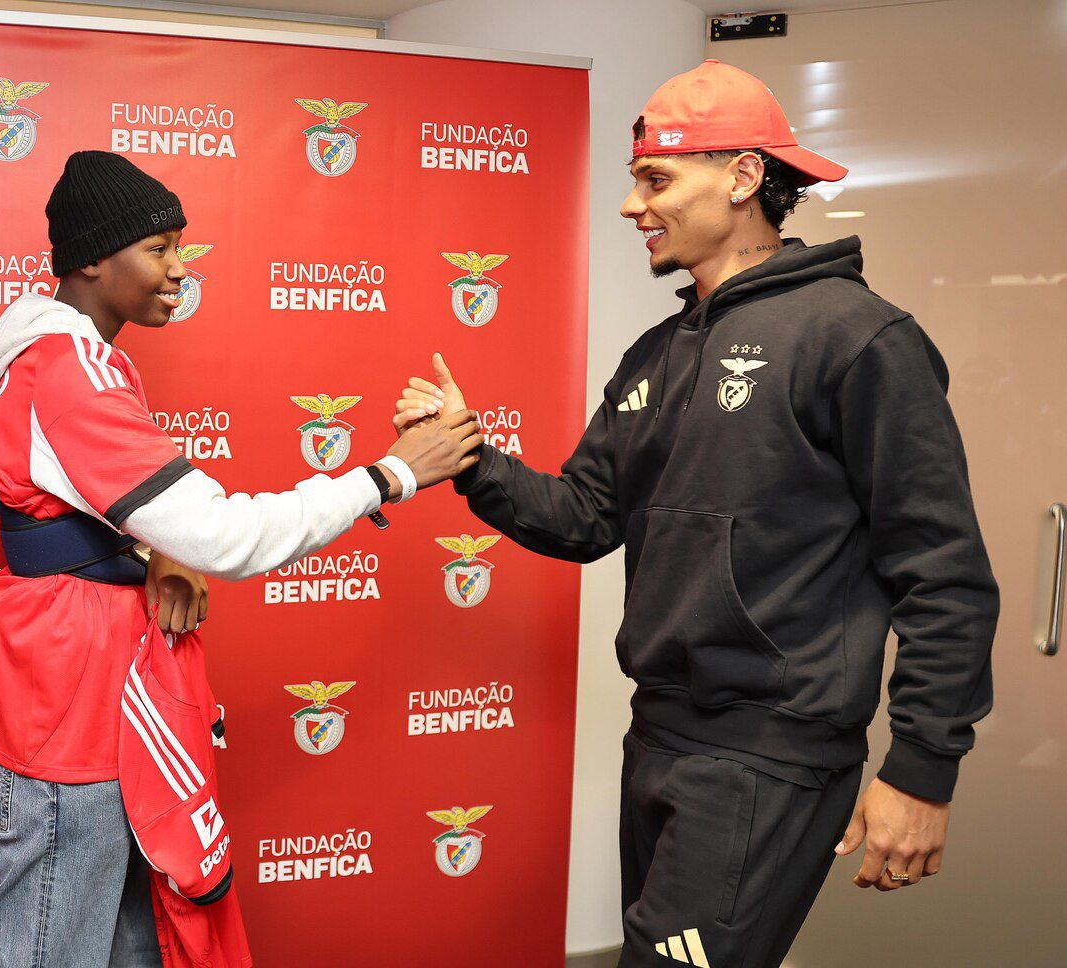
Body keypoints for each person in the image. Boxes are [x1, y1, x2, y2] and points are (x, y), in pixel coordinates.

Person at [393, 60, 998, 968]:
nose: (632, 205)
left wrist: (921, 769)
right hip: (659, 738)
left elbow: (944, 575)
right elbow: (583, 517)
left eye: (656, 179)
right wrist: (472, 457)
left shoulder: (856, 337)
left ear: (745, 177)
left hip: (770, 756)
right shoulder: (656, 353)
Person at [0, 150, 482, 968]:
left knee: (127, 942)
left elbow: (66, 504)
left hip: (89, 694)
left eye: (180, 247)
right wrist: (389, 474)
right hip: (70, 706)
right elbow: (224, 535)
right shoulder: (69, 368)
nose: (180, 269)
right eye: (159, 248)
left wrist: (152, 549)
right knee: (46, 949)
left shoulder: (59, 359)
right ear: (93, 259)